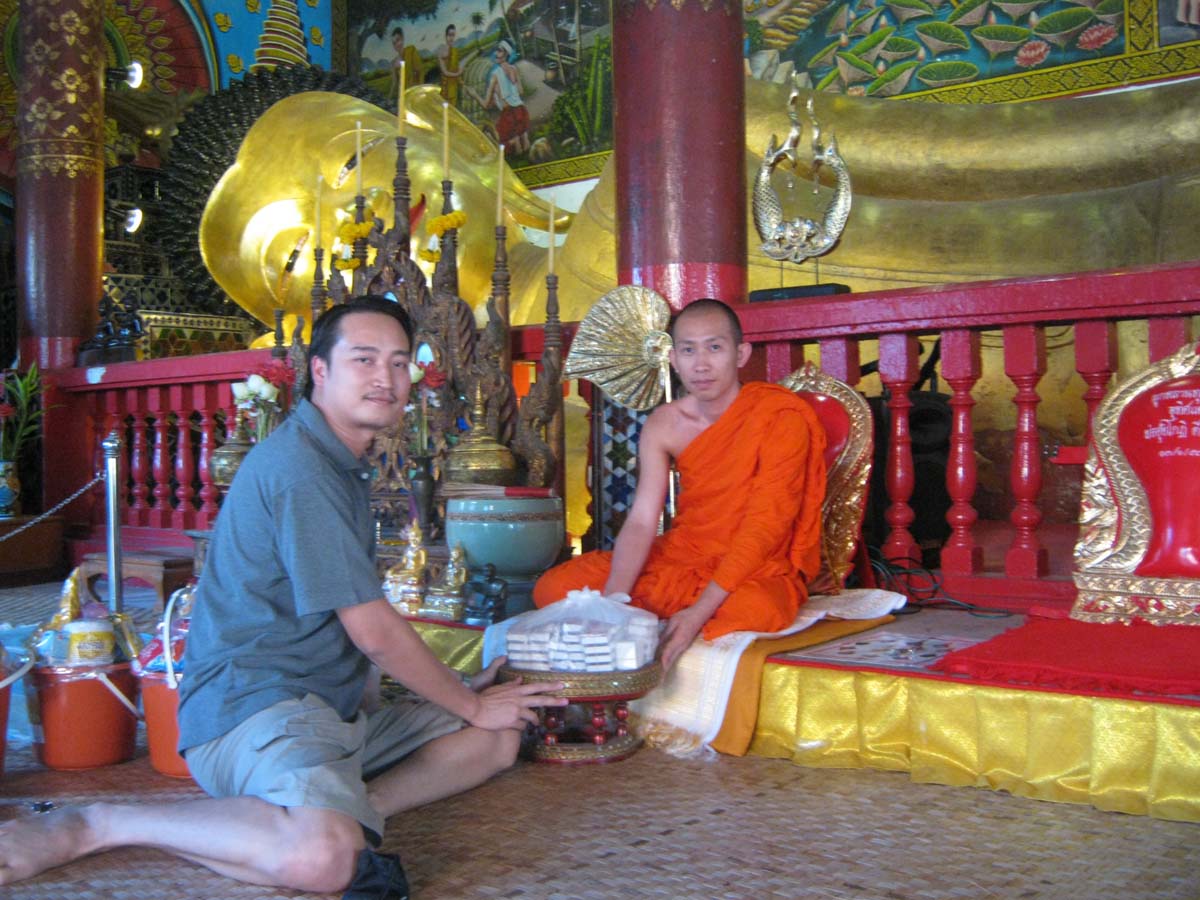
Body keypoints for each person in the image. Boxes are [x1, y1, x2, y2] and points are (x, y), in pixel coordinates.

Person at [0, 296, 565, 892]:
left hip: (330, 714)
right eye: (365, 359)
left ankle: (346, 808)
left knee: (499, 738)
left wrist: (462, 702)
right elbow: (371, 629)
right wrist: (466, 702)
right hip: (256, 711)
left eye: (400, 363)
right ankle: (101, 823)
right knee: (321, 860)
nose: (387, 378)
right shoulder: (301, 469)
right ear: (319, 371)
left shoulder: (340, 461)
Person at [533, 298, 828, 671]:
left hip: (753, 565)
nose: (701, 364)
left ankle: (677, 619)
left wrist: (698, 612)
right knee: (554, 587)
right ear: (673, 359)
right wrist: (612, 603)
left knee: (757, 609)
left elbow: (767, 524)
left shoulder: (779, 418)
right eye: (688, 350)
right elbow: (641, 521)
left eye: (715, 348)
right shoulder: (664, 424)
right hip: (682, 556)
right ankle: (659, 616)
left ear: (741, 354)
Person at [484, 40, 531, 155]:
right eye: (496, 50)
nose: (496, 53)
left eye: (499, 51)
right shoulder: (514, 69)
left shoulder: (495, 75)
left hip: (509, 114)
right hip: (521, 111)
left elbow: (486, 105)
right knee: (523, 136)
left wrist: (474, 95)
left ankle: (517, 146)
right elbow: (520, 91)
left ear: (506, 54)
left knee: (504, 140)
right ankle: (523, 147)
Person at [388, 26, 423, 101]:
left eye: (398, 40)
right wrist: (388, 99)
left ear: (402, 38)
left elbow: (418, 71)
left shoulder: (411, 50)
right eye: (394, 43)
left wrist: (417, 91)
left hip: (416, 92)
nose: (397, 44)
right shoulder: (394, 63)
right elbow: (394, 84)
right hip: (404, 96)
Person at [438, 24, 463, 107]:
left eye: (453, 35)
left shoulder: (455, 51)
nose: (451, 38)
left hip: (454, 87)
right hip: (445, 88)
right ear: (446, 36)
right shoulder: (441, 51)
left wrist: (460, 78)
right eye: (450, 35)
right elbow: (445, 72)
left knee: (453, 110)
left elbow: (457, 67)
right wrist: (457, 74)